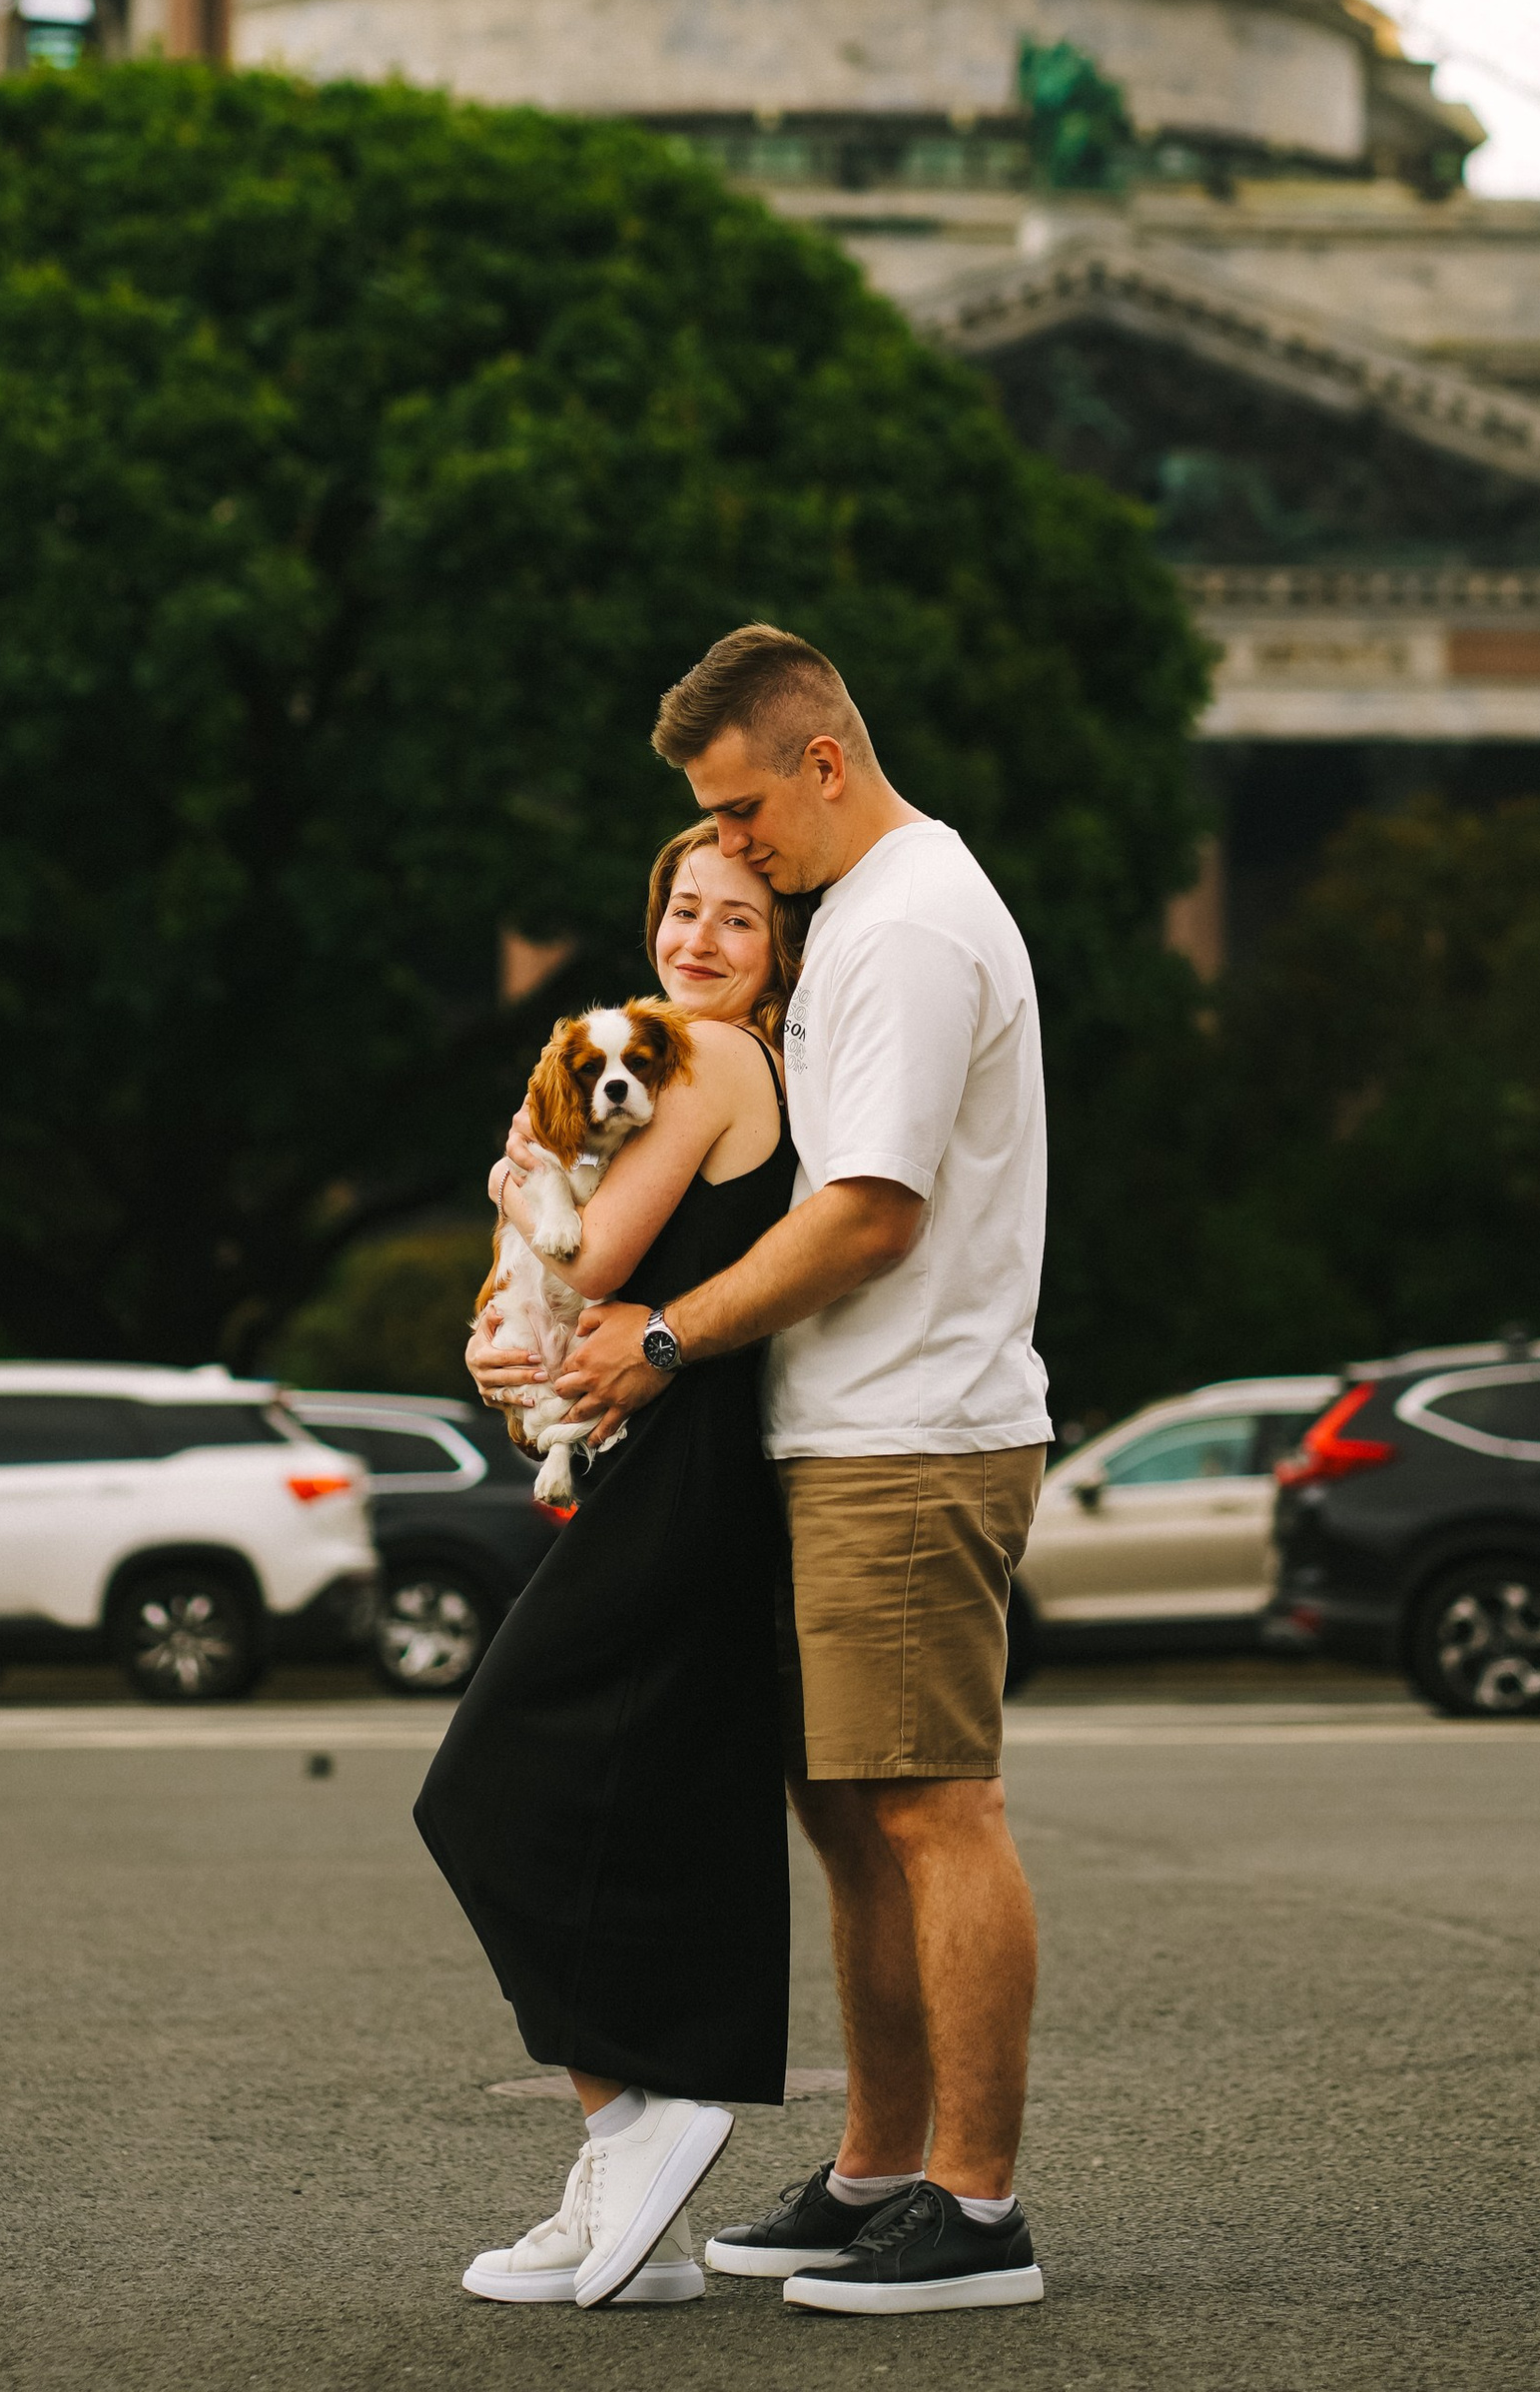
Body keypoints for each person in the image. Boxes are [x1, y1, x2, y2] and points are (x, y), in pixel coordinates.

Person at [557, 622, 1054, 2318]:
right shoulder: (864, 919)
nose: (733, 846)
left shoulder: (910, 923)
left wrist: (667, 1339)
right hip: (846, 1432)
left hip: (915, 1436)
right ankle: (878, 2175)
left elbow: (869, 1209)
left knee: (934, 1810)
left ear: (823, 760)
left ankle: (975, 2214)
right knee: (854, 1820)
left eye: (746, 807)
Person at [420, 823, 806, 2313]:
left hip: (689, 1465)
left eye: (738, 924)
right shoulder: (691, 1060)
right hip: (675, 1459)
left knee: (488, 1784)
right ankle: (641, 2218)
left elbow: (577, 1261)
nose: (699, 941)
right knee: (657, 1809)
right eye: (681, 913)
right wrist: (505, 1322)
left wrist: (521, 1192)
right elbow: (547, 1307)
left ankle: (639, 2120)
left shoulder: (709, 1061)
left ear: (778, 957)